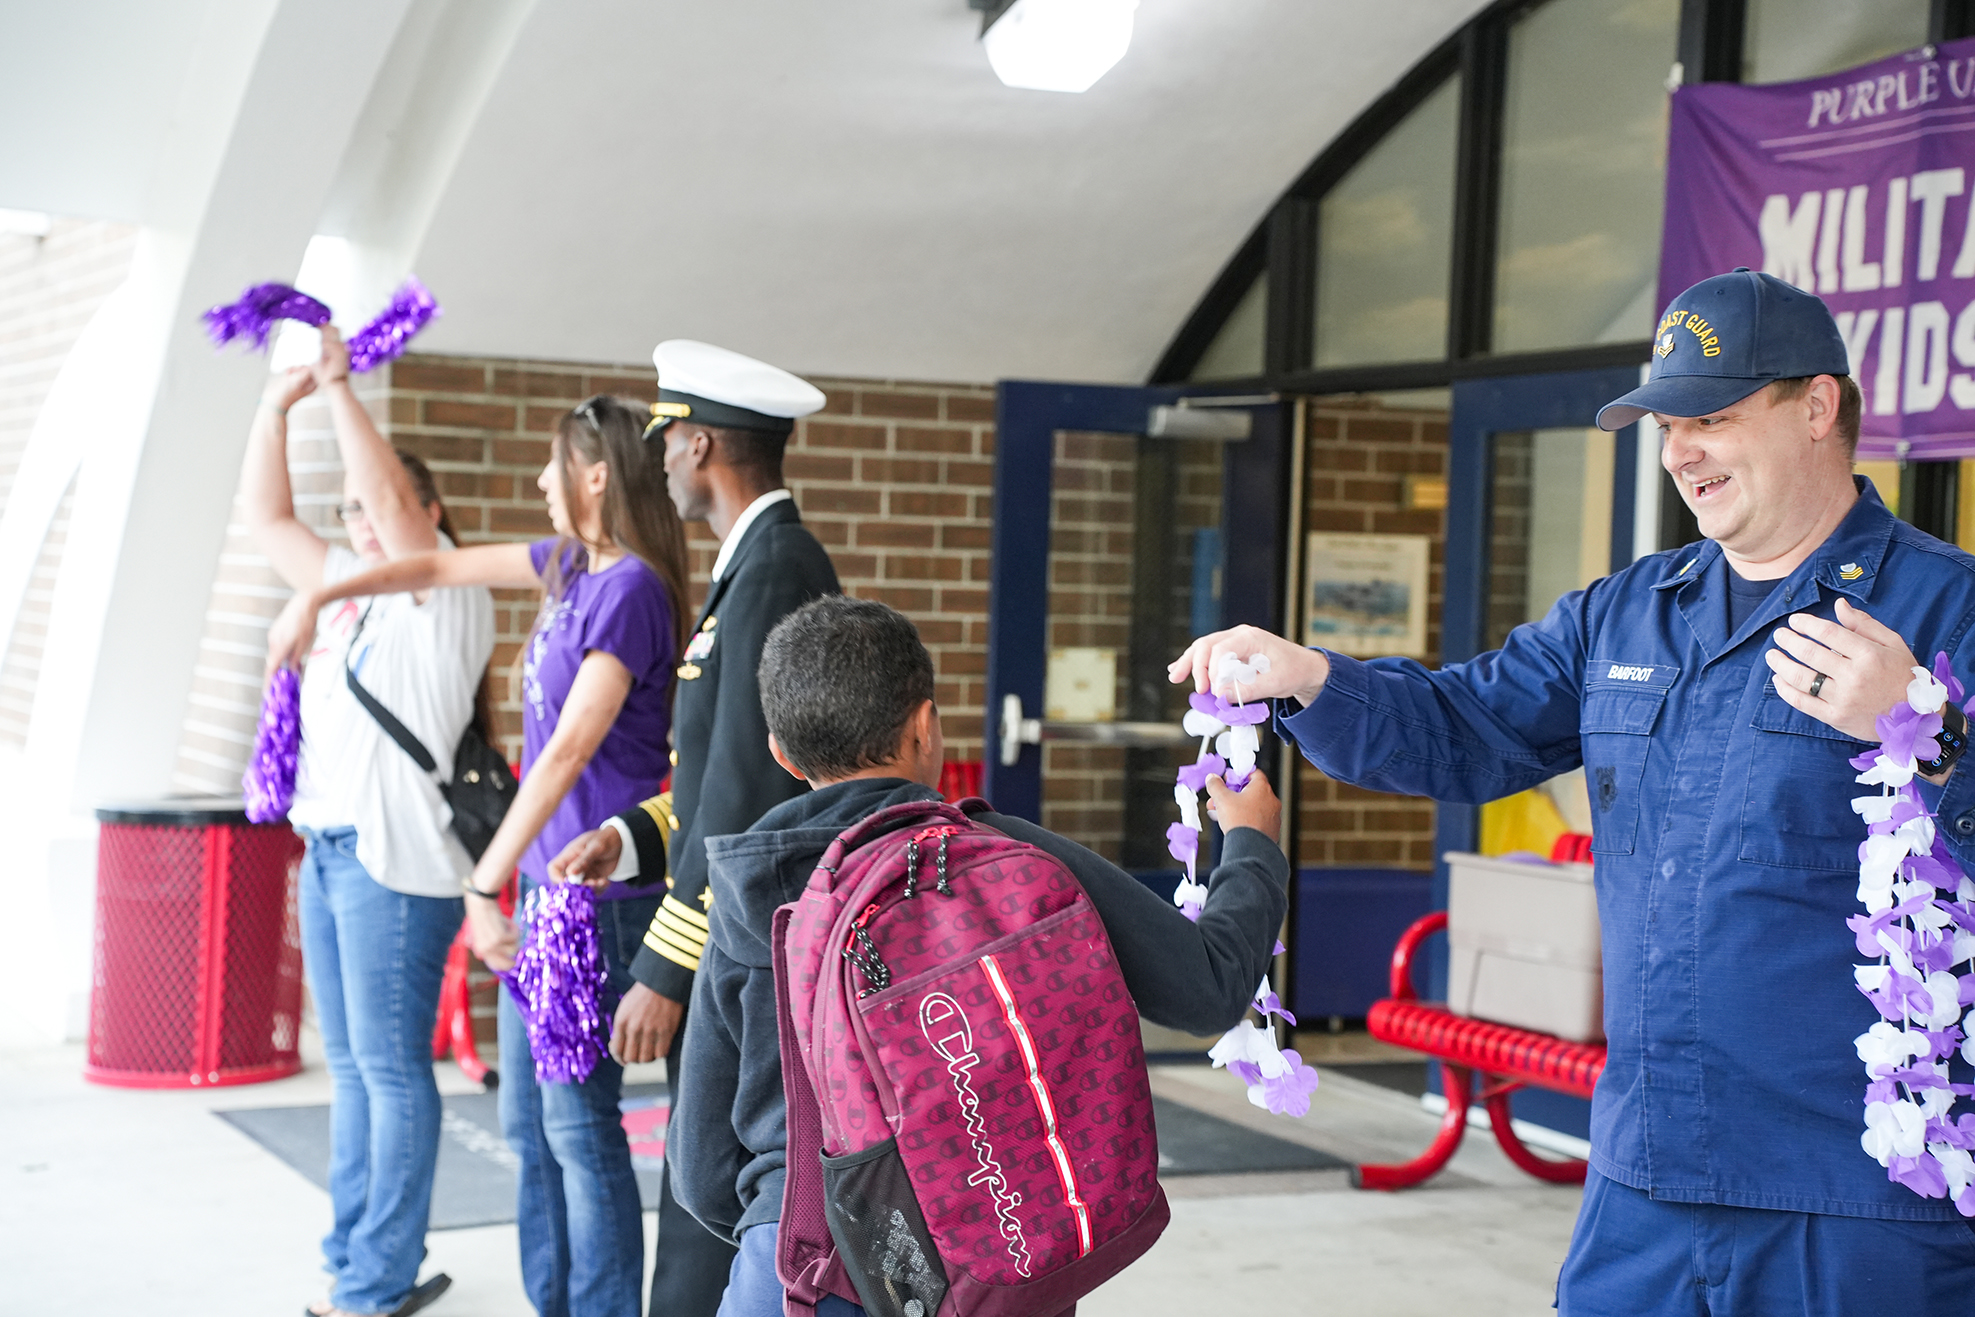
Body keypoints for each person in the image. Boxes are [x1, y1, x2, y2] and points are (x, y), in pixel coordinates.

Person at [1171, 269, 1975, 1316]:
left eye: (1712, 416)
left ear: (1816, 407)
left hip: (1856, 1195)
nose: (1679, 449)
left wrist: (1927, 742)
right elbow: (1464, 730)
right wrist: (1311, 680)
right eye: (1664, 421)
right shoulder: (1629, 614)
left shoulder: (1944, 610)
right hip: (1645, 1176)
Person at [561, 595, 1286, 1317]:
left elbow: (700, 1169)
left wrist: (801, 1229)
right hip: (998, 1263)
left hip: (801, 1277)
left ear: (781, 753)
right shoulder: (1013, 854)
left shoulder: (750, 895)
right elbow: (1208, 985)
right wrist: (1251, 841)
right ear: (926, 726)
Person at [268, 393, 691, 1317]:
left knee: (579, 1129)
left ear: (593, 474)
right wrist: (322, 590)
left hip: (597, 897)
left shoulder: (631, 590)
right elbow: (431, 559)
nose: (539, 482)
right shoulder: (569, 565)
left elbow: (571, 748)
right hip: (542, 889)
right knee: (529, 1125)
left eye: (552, 466)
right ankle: (558, 1301)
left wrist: (480, 878)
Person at [548, 341, 839, 1316]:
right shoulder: (751, 563)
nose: (661, 458)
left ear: (703, 443)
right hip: (733, 933)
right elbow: (716, 774)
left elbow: (755, 793)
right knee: (700, 1183)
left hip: (743, 951)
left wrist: (666, 968)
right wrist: (629, 838)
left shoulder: (776, 568)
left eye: (669, 438)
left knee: (709, 1194)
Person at [244, 327, 492, 1317]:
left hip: (398, 866)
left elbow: (390, 511)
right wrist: (277, 407)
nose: (362, 523)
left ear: (427, 513)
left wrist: (344, 391)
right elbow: (266, 517)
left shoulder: (444, 594)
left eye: (379, 508)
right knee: (350, 1071)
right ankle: (357, 1258)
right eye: (347, 513)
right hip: (331, 852)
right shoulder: (343, 600)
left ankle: (375, 1281)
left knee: (389, 1075)